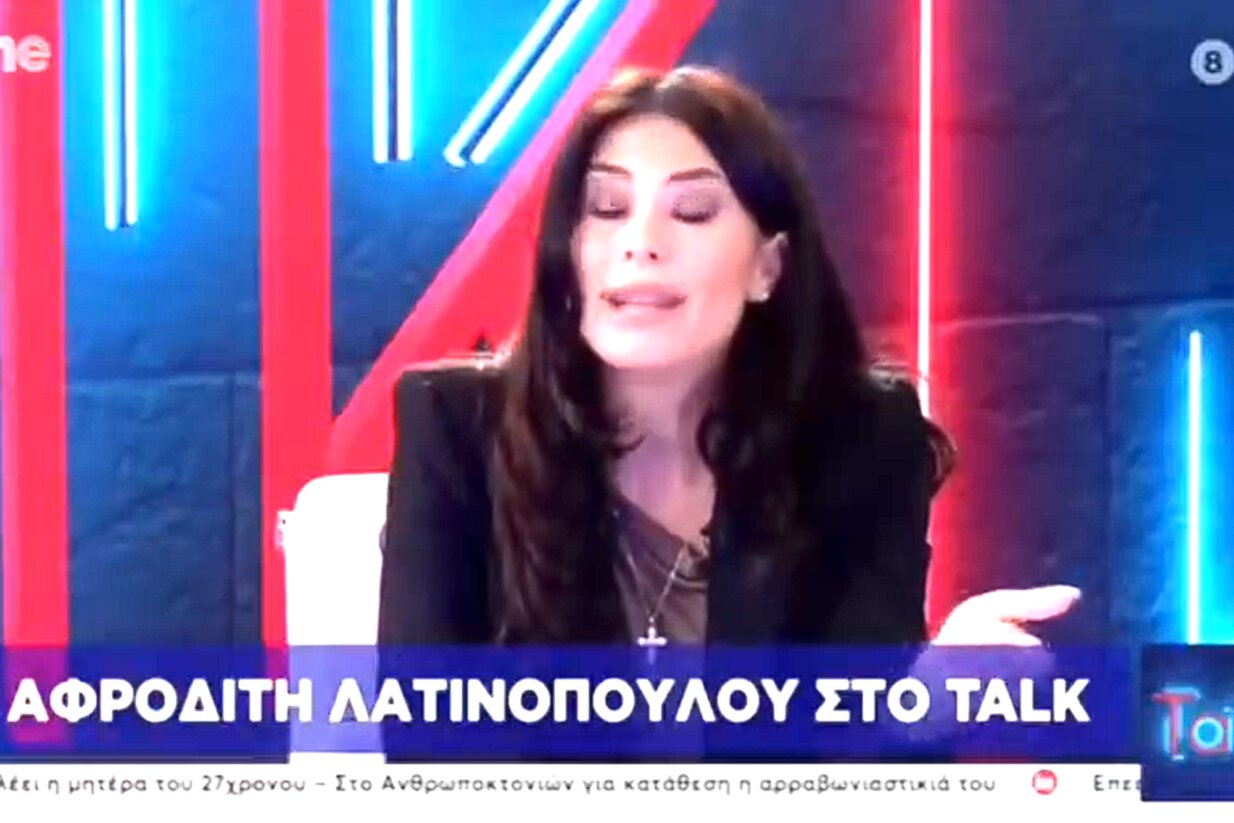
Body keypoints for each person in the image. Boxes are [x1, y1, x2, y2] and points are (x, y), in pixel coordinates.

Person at [377, 65, 1080, 654]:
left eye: (691, 212)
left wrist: (919, 705)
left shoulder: (861, 440)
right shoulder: (456, 432)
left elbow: (859, 736)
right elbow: (430, 740)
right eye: (607, 208)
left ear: (767, 267)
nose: (641, 243)